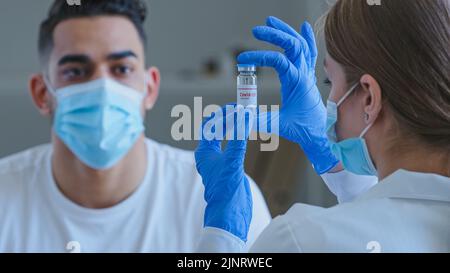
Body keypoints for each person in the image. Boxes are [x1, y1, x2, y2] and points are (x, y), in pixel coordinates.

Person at [0, 0, 271, 252]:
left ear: (150, 88)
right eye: (75, 71)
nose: (103, 87)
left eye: (121, 69)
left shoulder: (216, 197)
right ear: (41, 93)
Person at [196, 0, 450, 252]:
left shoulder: (302, 240)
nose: (327, 100)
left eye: (329, 81)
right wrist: (334, 161)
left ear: (370, 97)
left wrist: (222, 234)